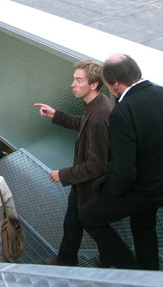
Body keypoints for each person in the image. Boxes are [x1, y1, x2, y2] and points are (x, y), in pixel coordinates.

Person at [78, 54, 163, 270]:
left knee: (88, 216)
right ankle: (150, 274)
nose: (109, 90)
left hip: (143, 188)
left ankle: (130, 269)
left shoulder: (123, 111)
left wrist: (109, 192)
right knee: (143, 226)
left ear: (116, 84)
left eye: (108, 85)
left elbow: (125, 171)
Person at [34, 60, 114, 266]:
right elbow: (83, 125)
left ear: (94, 84)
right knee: (73, 222)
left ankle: (114, 259)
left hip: (90, 183)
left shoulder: (100, 115)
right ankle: (67, 258)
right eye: (74, 79)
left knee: (94, 224)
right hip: (83, 182)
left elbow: (98, 165)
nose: (73, 84)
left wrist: (64, 174)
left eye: (79, 80)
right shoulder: (96, 105)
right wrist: (56, 115)